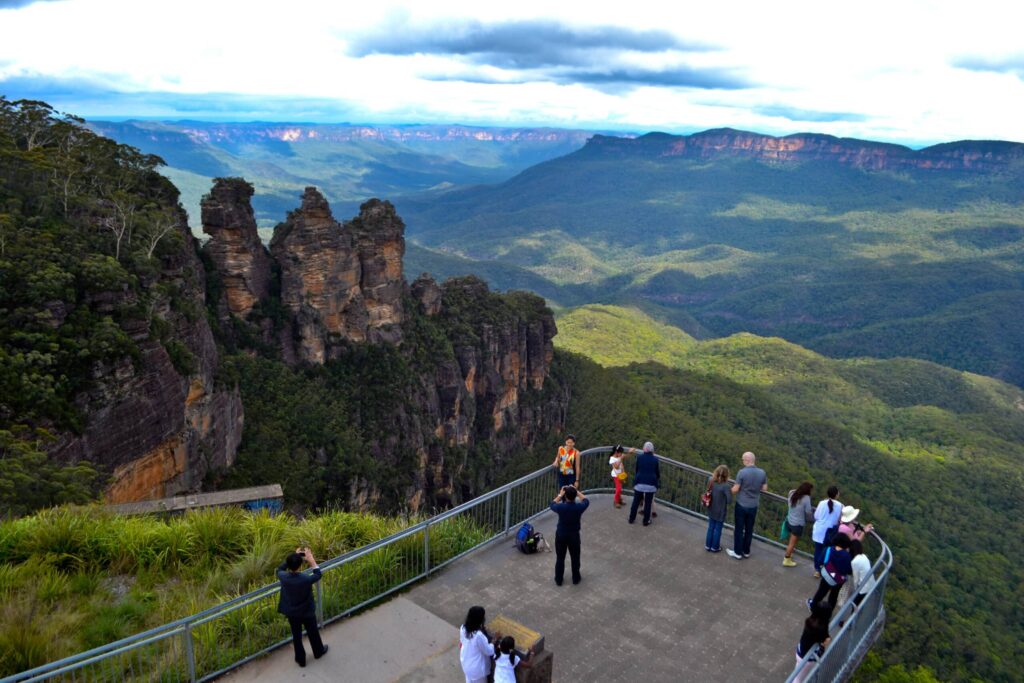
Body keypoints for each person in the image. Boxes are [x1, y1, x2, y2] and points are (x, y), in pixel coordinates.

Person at [276, 547, 328, 667]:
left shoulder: (283, 577)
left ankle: (301, 660)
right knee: (312, 631)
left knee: (297, 636)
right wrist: (311, 560)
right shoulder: (305, 579)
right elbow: (318, 574)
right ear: (300, 565)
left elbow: (279, 569)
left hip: (292, 613)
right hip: (306, 611)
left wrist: (294, 555)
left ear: (289, 566)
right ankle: (318, 652)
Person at [726, 451, 768, 560]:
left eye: (743, 459)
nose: (742, 461)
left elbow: (735, 489)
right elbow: (764, 488)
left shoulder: (742, 472)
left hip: (741, 505)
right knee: (749, 529)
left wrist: (724, 493)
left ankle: (737, 552)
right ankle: (746, 551)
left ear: (747, 460)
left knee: (739, 529)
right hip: (753, 505)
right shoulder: (762, 472)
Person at [550, 485, 590, 585]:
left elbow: (552, 504)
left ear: (566, 496)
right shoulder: (579, 507)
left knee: (560, 558)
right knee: (575, 558)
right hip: (574, 535)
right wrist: (577, 491)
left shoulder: (561, 507)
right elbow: (586, 501)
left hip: (561, 535)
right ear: (574, 496)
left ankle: (558, 580)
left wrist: (560, 494)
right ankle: (576, 578)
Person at [808, 533, 853, 614]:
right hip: (838, 580)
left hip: (826, 576)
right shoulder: (847, 556)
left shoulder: (828, 549)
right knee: (833, 596)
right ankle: (828, 614)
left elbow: (820, 562)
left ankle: (813, 606)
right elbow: (848, 570)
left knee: (821, 592)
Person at [793, 601, 832, 683]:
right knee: (799, 679)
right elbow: (825, 641)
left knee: (797, 675)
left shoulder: (810, 620)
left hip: (800, 651)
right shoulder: (821, 628)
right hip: (808, 659)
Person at [460, 605, 499, 683]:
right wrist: (494, 639)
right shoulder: (478, 636)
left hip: (466, 664)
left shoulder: (463, 628)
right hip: (477, 670)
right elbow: (489, 651)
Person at [811, 486, 843, 577]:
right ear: (836, 494)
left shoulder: (822, 503)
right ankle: (824, 570)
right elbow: (840, 520)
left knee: (818, 550)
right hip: (830, 532)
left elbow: (816, 516)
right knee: (827, 552)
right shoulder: (840, 505)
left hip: (819, 530)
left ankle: (817, 570)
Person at [628, 441, 660, 526]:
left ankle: (631, 519)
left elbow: (637, 469)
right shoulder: (655, 459)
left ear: (644, 449)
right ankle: (646, 521)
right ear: (652, 450)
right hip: (651, 484)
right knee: (648, 503)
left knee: (636, 501)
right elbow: (657, 473)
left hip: (639, 482)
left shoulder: (639, 457)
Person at [784, 482, 815, 567]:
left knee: (791, 542)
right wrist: (813, 519)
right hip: (797, 524)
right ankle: (786, 560)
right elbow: (808, 512)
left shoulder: (792, 492)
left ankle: (789, 555)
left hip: (790, 520)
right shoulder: (806, 498)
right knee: (792, 543)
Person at [704, 465, 732, 552]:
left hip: (711, 507)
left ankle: (708, 545)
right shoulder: (726, 486)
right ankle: (715, 547)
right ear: (726, 475)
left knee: (710, 527)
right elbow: (729, 501)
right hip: (720, 511)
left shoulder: (710, 480)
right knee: (717, 529)